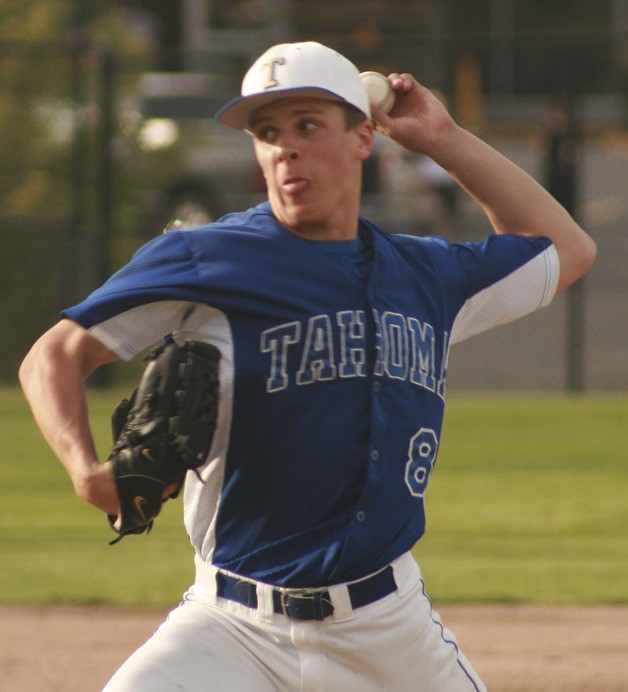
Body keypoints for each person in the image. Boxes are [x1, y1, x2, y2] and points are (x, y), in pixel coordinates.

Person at [20, 41, 595, 691]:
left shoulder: (426, 276)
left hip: (388, 631)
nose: (285, 148)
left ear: (363, 138)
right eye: (267, 133)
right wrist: (84, 470)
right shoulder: (209, 259)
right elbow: (55, 354)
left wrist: (444, 138)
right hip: (233, 627)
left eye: (309, 126)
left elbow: (565, 249)